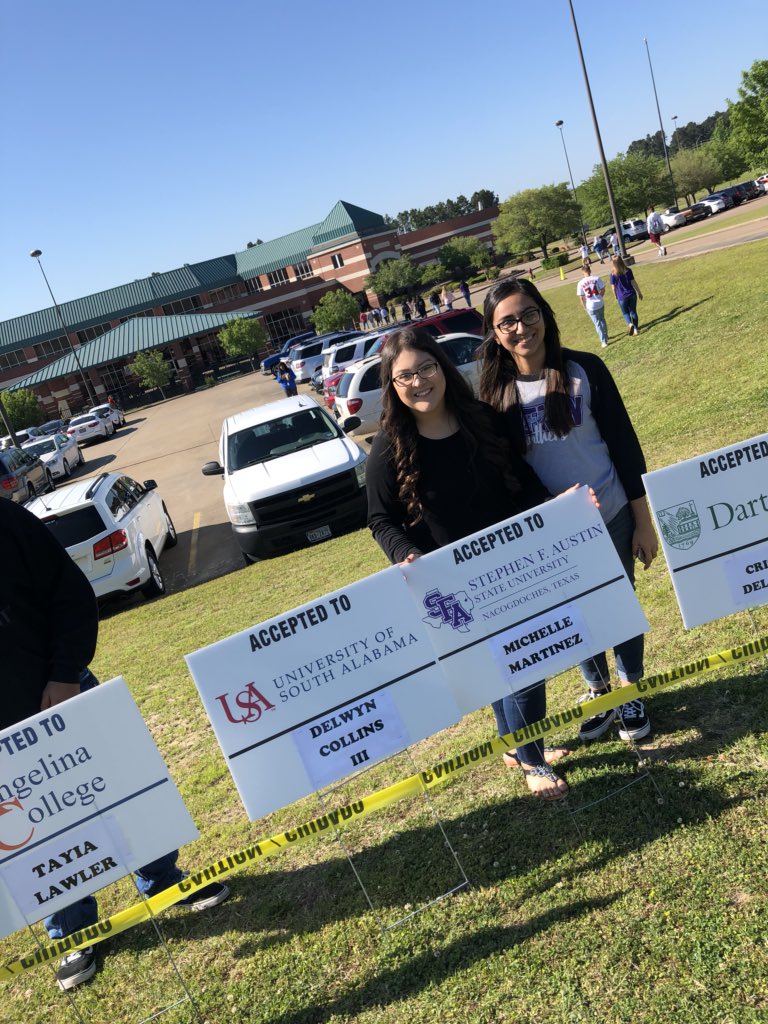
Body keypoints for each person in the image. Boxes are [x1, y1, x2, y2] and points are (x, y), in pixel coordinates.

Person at [0, 501, 229, 992]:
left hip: (62, 693)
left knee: (121, 796)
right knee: (39, 837)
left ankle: (164, 881)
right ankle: (71, 932)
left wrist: (64, 674)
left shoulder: (6, 520)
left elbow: (69, 593)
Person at [365, 326, 595, 801]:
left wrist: (559, 505)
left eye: (426, 368)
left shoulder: (482, 418)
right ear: (392, 385)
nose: (418, 382)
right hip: (449, 581)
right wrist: (406, 554)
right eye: (404, 376)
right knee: (504, 668)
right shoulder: (388, 446)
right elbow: (380, 518)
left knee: (525, 660)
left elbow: (522, 480)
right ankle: (530, 759)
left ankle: (520, 749)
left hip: (513, 565)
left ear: (441, 369)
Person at [479, 278, 659, 750]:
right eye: (508, 322)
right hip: (551, 536)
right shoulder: (494, 398)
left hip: (613, 514)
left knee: (618, 606)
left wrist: (643, 521)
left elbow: (624, 445)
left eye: (529, 314)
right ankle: (599, 692)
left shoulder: (584, 369)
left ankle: (631, 689)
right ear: (495, 334)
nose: (522, 328)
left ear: (545, 314)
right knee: (578, 618)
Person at [609, 254, 644, 336]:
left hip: (622, 297)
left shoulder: (613, 274)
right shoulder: (628, 270)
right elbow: (633, 282)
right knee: (633, 312)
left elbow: (613, 287)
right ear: (622, 261)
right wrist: (639, 292)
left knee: (625, 313)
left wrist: (615, 296)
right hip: (632, 294)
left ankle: (630, 324)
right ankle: (635, 329)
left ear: (613, 263)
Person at [576, 264, 609, 348]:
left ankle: (603, 341)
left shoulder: (580, 283)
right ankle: (606, 336)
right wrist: (600, 297)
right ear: (590, 271)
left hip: (590, 305)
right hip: (599, 303)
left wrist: (584, 307)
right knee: (602, 319)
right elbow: (603, 289)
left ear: (583, 273)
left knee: (597, 323)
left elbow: (581, 297)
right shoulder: (596, 278)